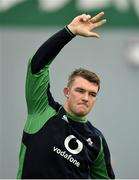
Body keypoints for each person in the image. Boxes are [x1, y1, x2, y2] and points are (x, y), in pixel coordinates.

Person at [17, 12, 115, 179]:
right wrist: (70, 31)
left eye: (92, 94)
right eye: (80, 90)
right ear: (67, 92)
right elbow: (37, 65)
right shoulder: (42, 111)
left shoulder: (96, 141)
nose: (86, 97)